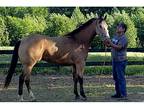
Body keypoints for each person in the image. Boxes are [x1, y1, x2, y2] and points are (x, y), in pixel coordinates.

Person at [104, 22, 128, 98]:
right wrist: (106, 42)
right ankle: (118, 94)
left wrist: (110, 43)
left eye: (119, 27)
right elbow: (111, 45)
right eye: (117, 26)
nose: (117, 28)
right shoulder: (116, 36)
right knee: (116, 77)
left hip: (121, 61)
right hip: (115, 60)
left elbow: (118, 47)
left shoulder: (124, 38)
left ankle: (123, 95)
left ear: (123, 29)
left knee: (121, 78)